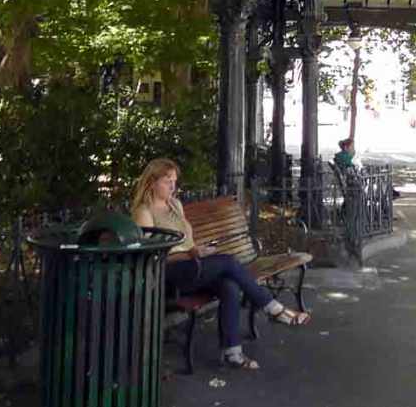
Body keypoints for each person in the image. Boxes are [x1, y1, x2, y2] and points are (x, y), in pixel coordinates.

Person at [131, 158, 310, 370]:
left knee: (229, 285)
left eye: (174, 181)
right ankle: (274, 308)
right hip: (169, 273)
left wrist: (198, 250)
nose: (172, 186)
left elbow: (187, 241)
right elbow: (152, 257)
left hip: (193, 266)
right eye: (167, 181)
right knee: (229, 262)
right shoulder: (144, 212)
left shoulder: (175, 205)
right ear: (151, 182)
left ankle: (232, 352)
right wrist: (191, 254)